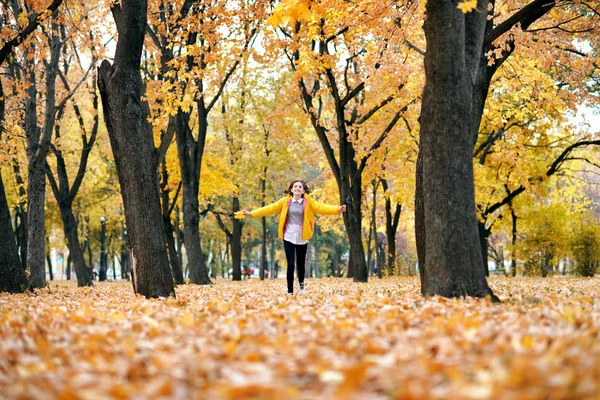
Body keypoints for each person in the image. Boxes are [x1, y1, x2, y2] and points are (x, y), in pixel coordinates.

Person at [240, 180, 346, 295]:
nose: (297, 188)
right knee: (290, 263)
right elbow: (270, 208)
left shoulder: (308, 202)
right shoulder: (285, 201)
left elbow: (321, 208)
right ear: (291, 189)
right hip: (288, 235)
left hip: (302, 235)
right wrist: (252, 213)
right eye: (295, 186)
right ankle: (290, 291)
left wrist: (337, 209)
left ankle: (301, 283)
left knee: (300, 264)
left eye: (300, 187)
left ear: (303, 190)